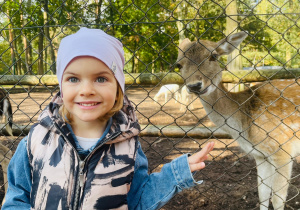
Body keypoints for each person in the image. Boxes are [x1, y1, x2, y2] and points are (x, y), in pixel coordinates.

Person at [2, 27, 214, 210]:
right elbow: (17, 195)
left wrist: (174, 175)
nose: (86, 90)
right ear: (61, 85)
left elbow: (137, 201)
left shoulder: (129, 147)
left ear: (118, 86)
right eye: (73, 78)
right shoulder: (36, 140)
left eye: (101, 78)